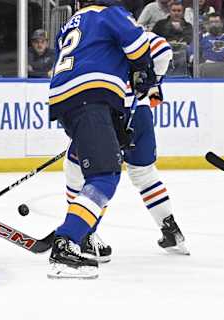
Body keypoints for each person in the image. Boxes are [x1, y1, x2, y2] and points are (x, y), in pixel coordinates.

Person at [47, 0, 157, 279]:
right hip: (91, 97)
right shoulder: (109, 13)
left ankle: (80, 231)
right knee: (104, 176)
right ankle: (66, 242)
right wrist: (145, 73)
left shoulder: (71, 22)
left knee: (92, 171)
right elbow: (138, 44)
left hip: (69, 100)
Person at [65, 32, 190, 264]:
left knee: (81, 170)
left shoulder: (100, 36)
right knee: (144, 174)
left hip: (107, 113)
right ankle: (171, 230)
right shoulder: (134, 34)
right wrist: (153, 81)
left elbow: (162, 49)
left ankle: (83, 232)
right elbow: (162, 49)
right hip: (139, 113)